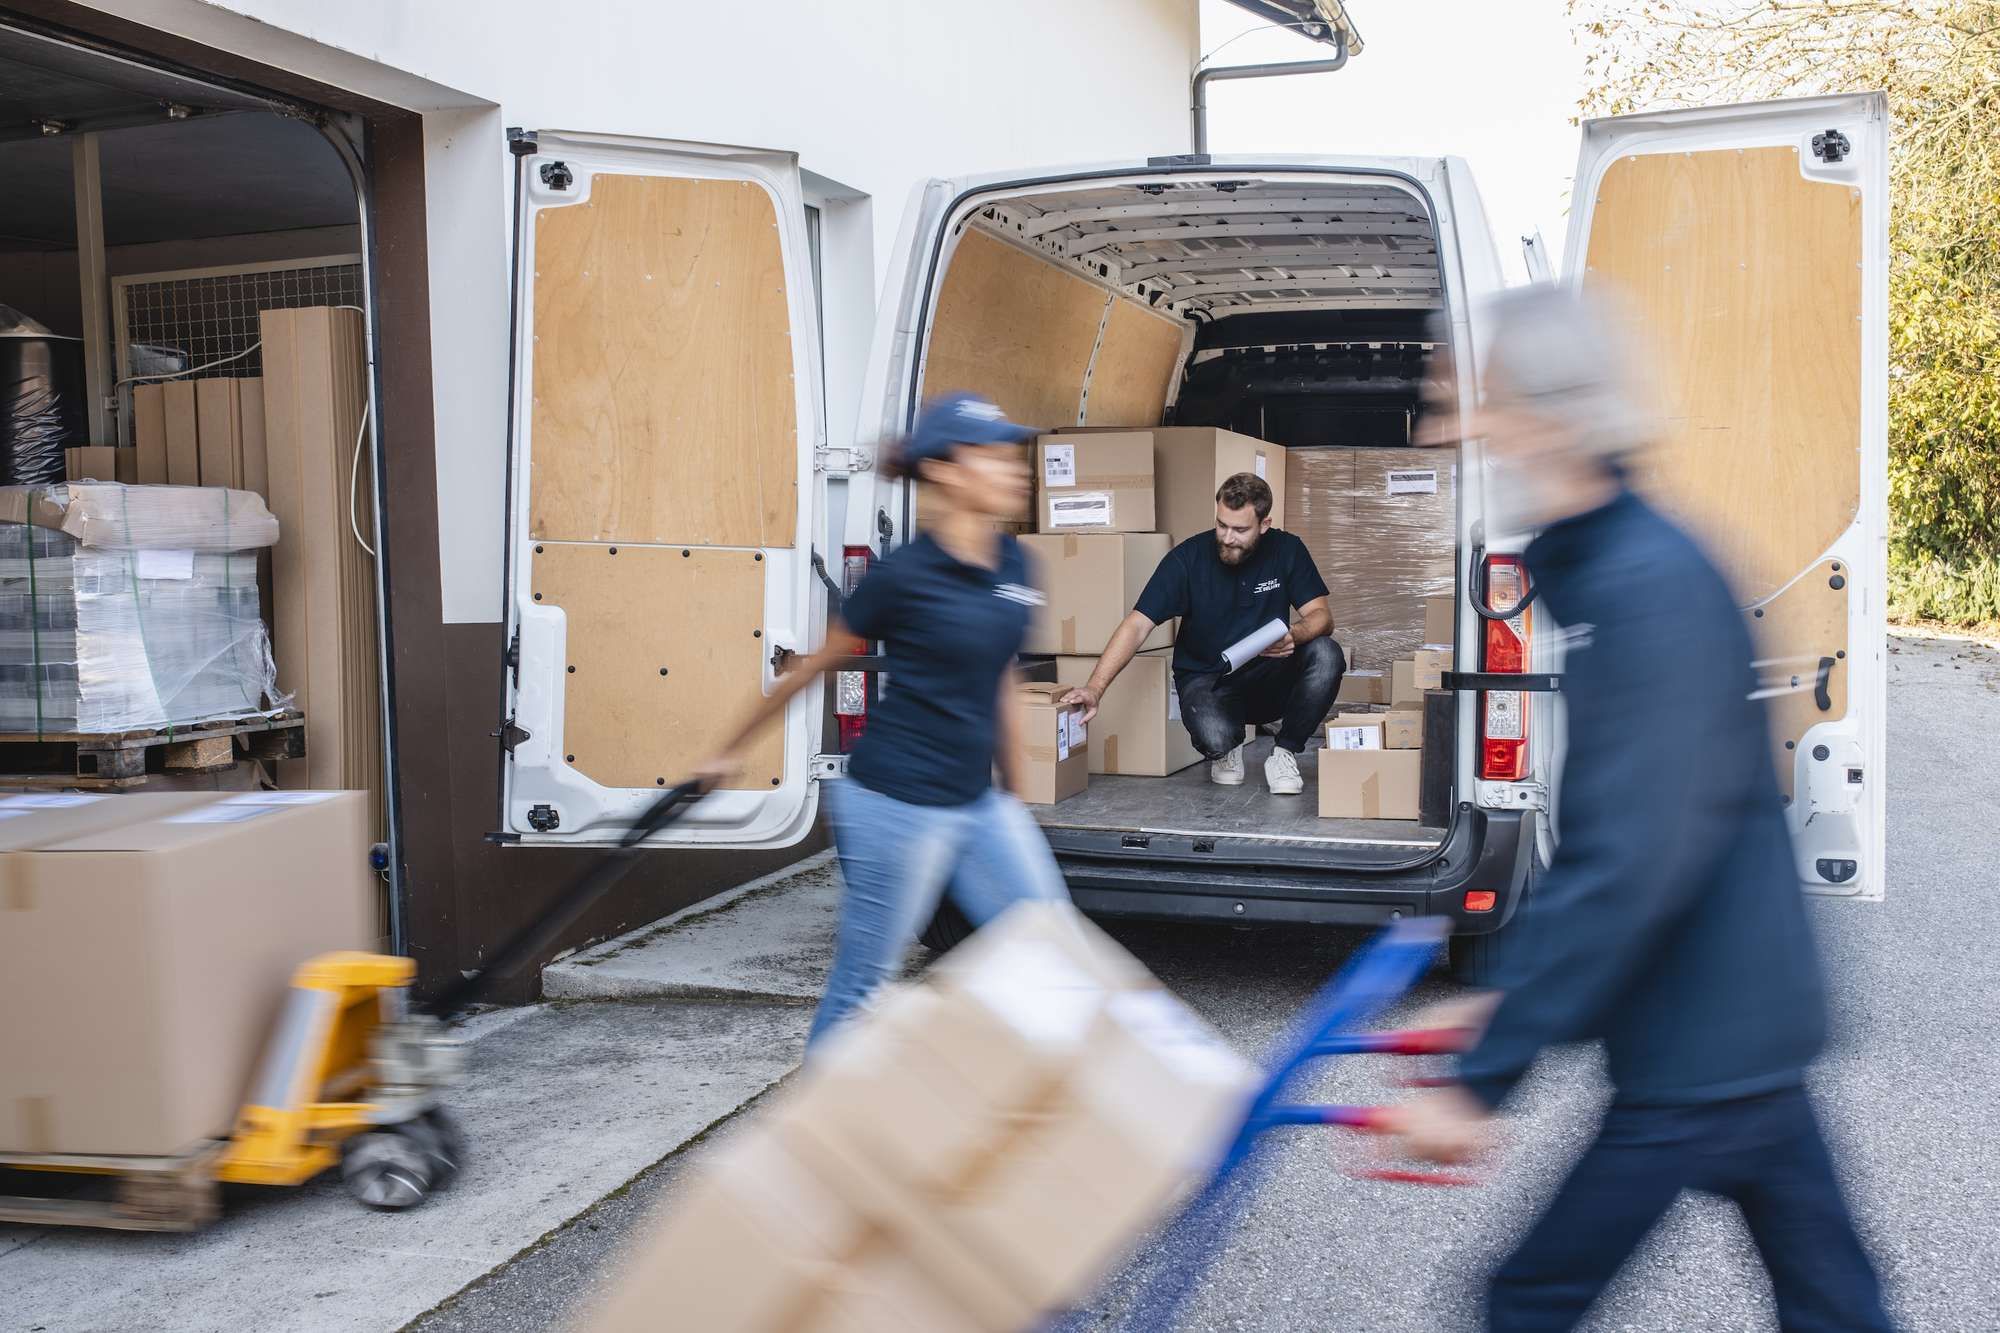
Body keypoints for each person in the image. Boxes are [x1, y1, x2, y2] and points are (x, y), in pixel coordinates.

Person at [1382, 286, 1891, 1332]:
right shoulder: (1618, 568)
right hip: (1727, 1022)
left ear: (1546, 416)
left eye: (1471, 403)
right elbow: (1627, 840)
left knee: (1524, 1301)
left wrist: (1481, 1078)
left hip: (1703, 1037)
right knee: (1831, 1301)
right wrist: (1503, 1001)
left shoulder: (1644, 586)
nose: (1449, 431)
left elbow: (1629, 858)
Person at [698, 393, 1067, 1046]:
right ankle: (814, 1137)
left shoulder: (1016, 564)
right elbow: (815, 666)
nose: (1019, 468)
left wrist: (1019, 796)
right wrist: (728, 750)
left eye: (1017, 453)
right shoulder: (903, 575)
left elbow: (1001, 679)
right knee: (865, 984)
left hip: (975, 801)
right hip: (893, 802)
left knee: (1050, 949)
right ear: (948, 471)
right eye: (996, 455)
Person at [1058, 472, 1342, 795]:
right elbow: (1137, 625)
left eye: (1240, 529)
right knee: (1215, 734)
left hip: (1269, 676)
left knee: (1327, 653)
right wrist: (1095, 688)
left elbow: (1322, 616)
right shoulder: (1187, 559)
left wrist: (1296, 634)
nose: (1227, 537)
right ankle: (1225, 749)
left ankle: (1284, 753)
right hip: (1209, 681)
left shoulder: (1287, 549)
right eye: (1222, 525)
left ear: (1264, 525)